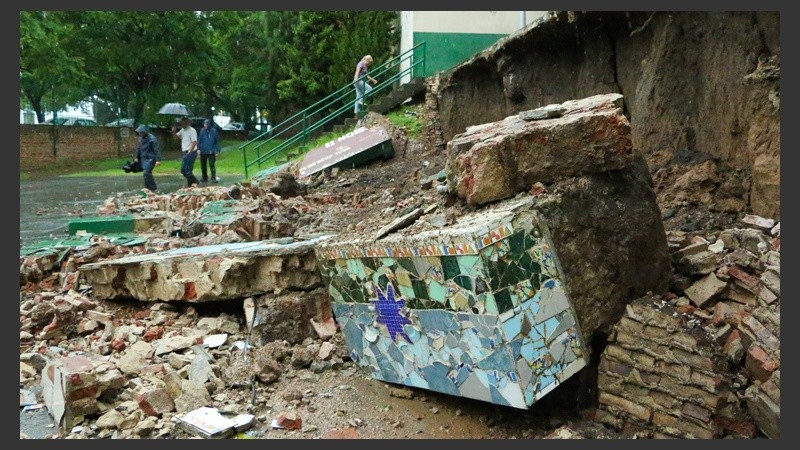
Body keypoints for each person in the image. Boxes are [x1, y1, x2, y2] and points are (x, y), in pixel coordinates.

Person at [172, 115, 199, 187]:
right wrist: (174, 131)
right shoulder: (182, 130)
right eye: (182, 123)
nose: (182, 124)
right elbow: (176, 138)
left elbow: (194, 142)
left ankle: (195, 182)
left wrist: (190, 151)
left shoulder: (192, 130)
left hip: (191, 152)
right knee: (187, 171)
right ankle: (191, 184)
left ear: (188, 122)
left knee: (185, 170)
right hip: (184, 151)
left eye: (184, 123)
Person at [133, 124, 161, 192]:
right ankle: (148, 188)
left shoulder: (152, 139)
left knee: (146, 173)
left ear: (144, 132)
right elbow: (139, 148)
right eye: (139, 132)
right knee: (146, 174)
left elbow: (156, 149)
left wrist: (158, 160)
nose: (139, 134)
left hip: (151, 158)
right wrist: (137, 157)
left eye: (140, 132)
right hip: (144, 158)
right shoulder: (141, 138)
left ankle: (153, 188)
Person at [197, 119, 221, 183]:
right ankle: (204, 177)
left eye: (206, 124)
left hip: (211, 150)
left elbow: (217, 141)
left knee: (212, 164)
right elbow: (199, 140)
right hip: (203, 150)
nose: (205, 125)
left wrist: (217, 150)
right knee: (203, 165)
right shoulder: (202, 131)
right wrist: (198, 149)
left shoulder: (214, 131)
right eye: (204, 124)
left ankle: (213, 177)